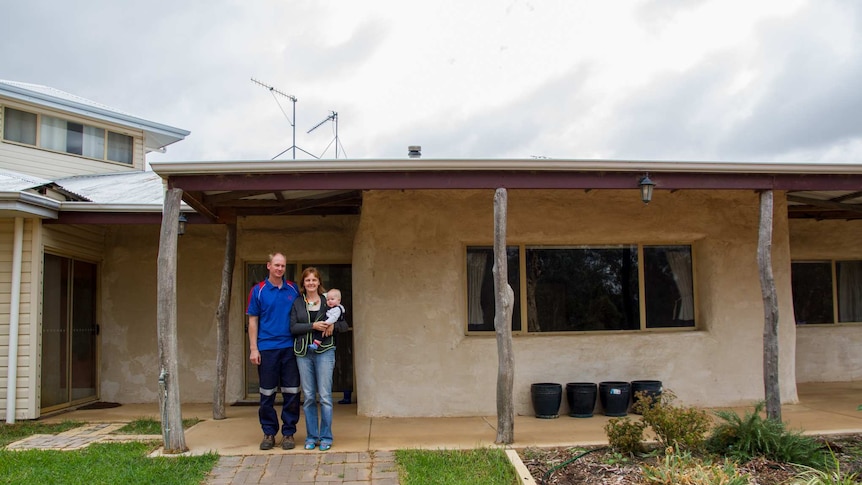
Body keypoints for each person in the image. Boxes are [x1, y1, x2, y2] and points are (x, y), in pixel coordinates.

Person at [246, 252, 301, 451]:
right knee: (267, 393)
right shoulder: (258, 290)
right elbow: (253, 320)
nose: (280, 269)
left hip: (290, 348)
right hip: (267, 348)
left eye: (283, 266)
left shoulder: (293, 288)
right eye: (276, 265)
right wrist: (254, 348)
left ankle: (288, 433)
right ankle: (269, 432)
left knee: (292, 392)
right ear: (268, 266)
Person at [290, 267, 349, 451]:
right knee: (308, 397)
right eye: (307, 280)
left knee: (324, 396)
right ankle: (311, 436)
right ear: (303, 283)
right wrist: (313, 325)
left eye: (314, 280)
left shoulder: (328, 301)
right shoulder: (298, 303)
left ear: (319, 282)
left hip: (325, 352)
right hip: (303, 353)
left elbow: (344, 324)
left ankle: (326, 437)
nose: (311, 283)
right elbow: (293, 328)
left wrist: (334, 327)